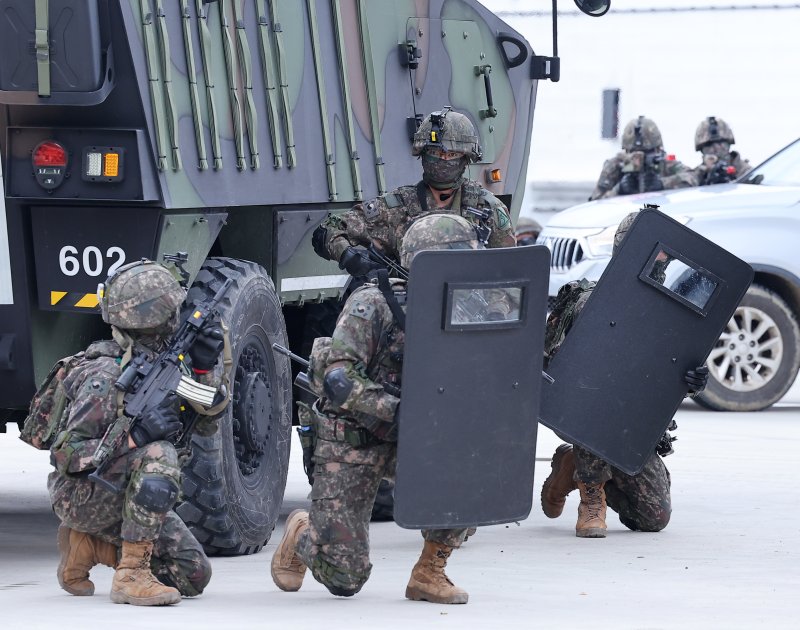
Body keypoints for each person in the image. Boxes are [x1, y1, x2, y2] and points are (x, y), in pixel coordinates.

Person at [271, 214, 482, 604]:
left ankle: (429, 572)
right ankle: (304, 532)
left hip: (415, 436)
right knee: (344, 579)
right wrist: (397, 409)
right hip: (355, 436)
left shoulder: (468, 308)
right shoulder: (374, 303)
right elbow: (338, 378)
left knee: (464, 476)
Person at [46, 260, 227, 605]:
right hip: (83, 495)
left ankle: (87, 547)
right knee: (160, 455)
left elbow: (206, 423)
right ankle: (131, 575)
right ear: (159, 317)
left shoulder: (166, 362)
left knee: (192, 575)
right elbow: (65, 456)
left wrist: (204, 365)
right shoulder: (105, 375)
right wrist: (135, 438)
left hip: (128, 491)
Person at [539, 213, 709, 538]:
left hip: (632, 431)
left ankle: (568, 467)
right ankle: (591, 496)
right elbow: (564, 375)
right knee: (597, 401)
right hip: (588, 419)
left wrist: (694, 380)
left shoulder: (670, 312)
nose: (659, 260)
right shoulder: (591, 304)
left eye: (664, 254)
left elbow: (672, 370)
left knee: (653, 517)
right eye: (652, 251)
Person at [311, 107, 515, 280]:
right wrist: (349, 256)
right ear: (423, 154)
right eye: (436, 153)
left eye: (452, 154)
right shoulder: (397, 208)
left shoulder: (487, 210)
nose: (443, 160)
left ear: (465, 158)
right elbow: (329, 229)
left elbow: (510, 272)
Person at [589, 116, 696, 201]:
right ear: (626, 151)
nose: (640, 159)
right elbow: (595, 201)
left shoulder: (663, 163)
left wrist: (663, 184)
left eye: (647, 152)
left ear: (658, 149)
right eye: (634, 153)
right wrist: (618, 190)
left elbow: (693, 178)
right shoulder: (616, 165)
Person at [692, 116, 752, 185]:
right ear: (702, 149)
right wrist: (702, 174)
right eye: (709, 145)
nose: (716, 148)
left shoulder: (745, 171)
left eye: (721, 143)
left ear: (729, 144)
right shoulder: (696, 175)